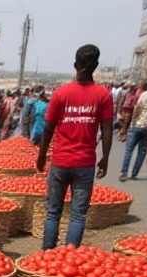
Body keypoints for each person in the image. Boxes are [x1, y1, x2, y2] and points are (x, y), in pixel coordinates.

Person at [36, 44, 113, 250]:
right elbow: (107, 129)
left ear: (75, 64)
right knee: (78, 215)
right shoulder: (103, 95)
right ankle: (69, 256)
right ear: (96, 66)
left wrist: (42, 155)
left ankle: (47, 255)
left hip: (61, 161)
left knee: (53, 212)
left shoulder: (61, 93)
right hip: (85, 163)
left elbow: (48, 128)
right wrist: (105, 157)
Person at [119, 75, 147, 181]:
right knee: (141, 151)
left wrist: (132, 123)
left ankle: (124, 173)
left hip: (139, 125)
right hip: (146, 127)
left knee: (130, 150)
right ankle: (133, 173)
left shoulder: (145, 94)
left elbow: (137, 109)